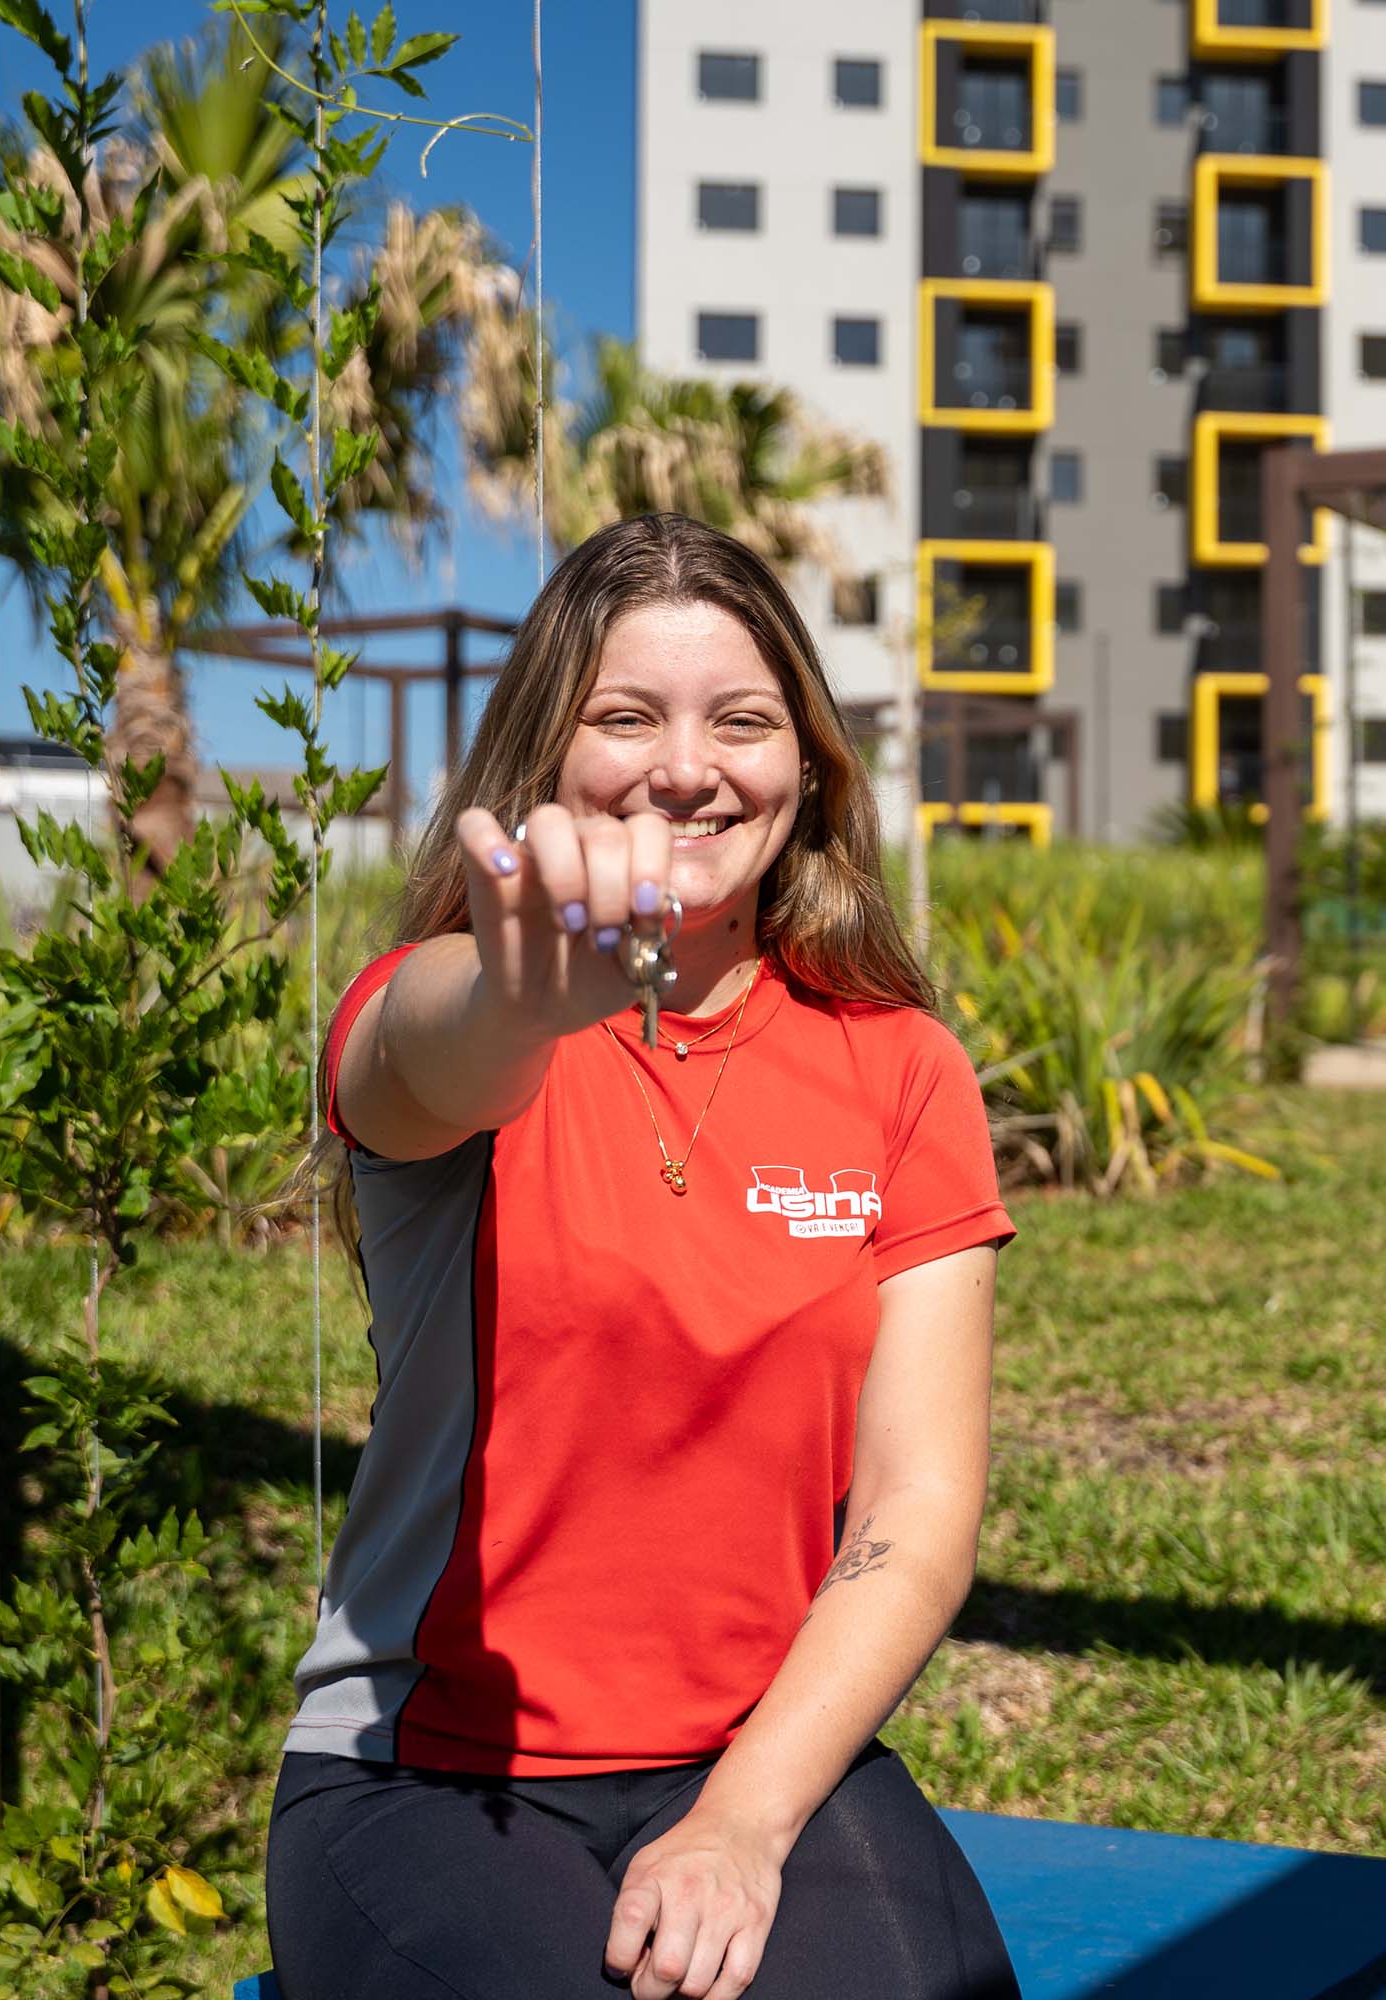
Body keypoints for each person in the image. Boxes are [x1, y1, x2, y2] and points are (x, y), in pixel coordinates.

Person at [265, 513, 1021, 2000]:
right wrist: (516, 999)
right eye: (626, 717)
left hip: (762, 1755)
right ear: (544, 762)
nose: (688, 765)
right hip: (428, 1778)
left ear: (805, 769)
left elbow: (918, 1510)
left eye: (741, 721)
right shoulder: (451, 1008)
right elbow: (431, 1055)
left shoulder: (903, 1068)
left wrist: (742, 1818)